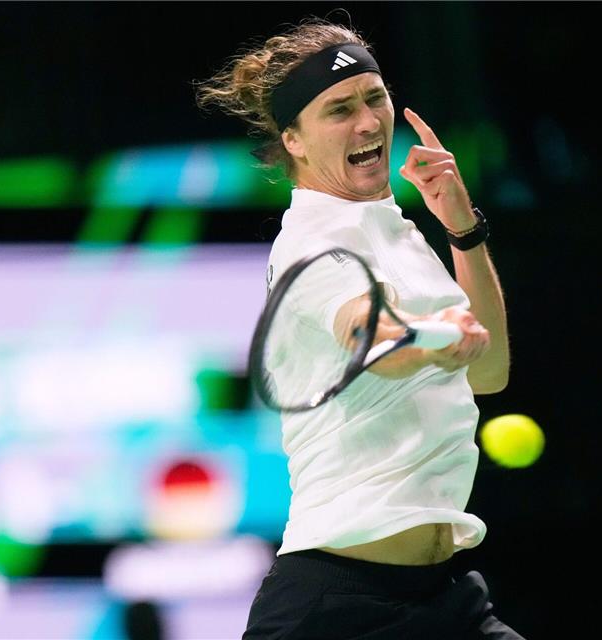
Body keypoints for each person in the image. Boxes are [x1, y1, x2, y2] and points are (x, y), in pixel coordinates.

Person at [196, 17, 523, 639]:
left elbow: (489, 371)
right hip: (339, 607)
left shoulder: (396, 232)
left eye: (375, 98)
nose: (369, 122)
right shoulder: (310, 245)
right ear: (293, 139)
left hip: (446, 599)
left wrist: (463, 230)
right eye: (339, 109)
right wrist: (432, 334)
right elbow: (375, 344)